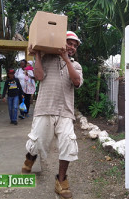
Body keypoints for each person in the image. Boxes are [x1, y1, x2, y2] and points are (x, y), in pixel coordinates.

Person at [21, 31, 83, 199]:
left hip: (65, 112)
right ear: (61, 43)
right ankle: (30, 158)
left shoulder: (76, 65)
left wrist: (66, 59)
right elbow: (39, 76)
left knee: (68, 145)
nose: (72, 47)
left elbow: (76, 82)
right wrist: (39, 56)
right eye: (69, 43)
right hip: (45, 108)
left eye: (75, 45)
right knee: (36, 141)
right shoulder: (47, 58)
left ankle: (61, 182)